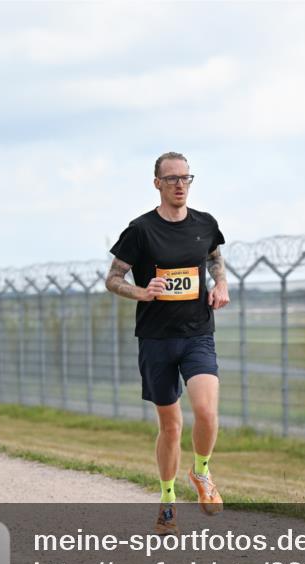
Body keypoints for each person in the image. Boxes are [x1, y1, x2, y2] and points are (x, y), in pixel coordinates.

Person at [105, 151, 230, 535]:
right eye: (172, 178)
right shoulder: (141, 230)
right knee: (171, 426)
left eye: (186, 178)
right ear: (157, 183)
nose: (180, 184)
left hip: (197, 334)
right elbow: (112, 278)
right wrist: (141, 292)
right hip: (157, 339)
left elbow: (213, 259)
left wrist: (221, 283)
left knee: (206, 412)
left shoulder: (205, 224)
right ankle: (167, 499)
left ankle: (202, 473)